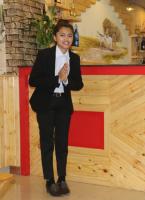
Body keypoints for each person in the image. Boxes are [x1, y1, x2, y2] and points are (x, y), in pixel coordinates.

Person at [29, 20, 84, 197]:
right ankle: (49, 180)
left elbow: (78, 84)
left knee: (62, 143)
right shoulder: (44, 55)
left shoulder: (74, 58)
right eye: (62, 35)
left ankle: (62, 178)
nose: (66, 39)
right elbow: (33, 80)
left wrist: (66, 80)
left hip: (63, 105)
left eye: (69, 35)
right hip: (45, 103)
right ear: (55, 37)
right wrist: (57, 78)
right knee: (47, 143)